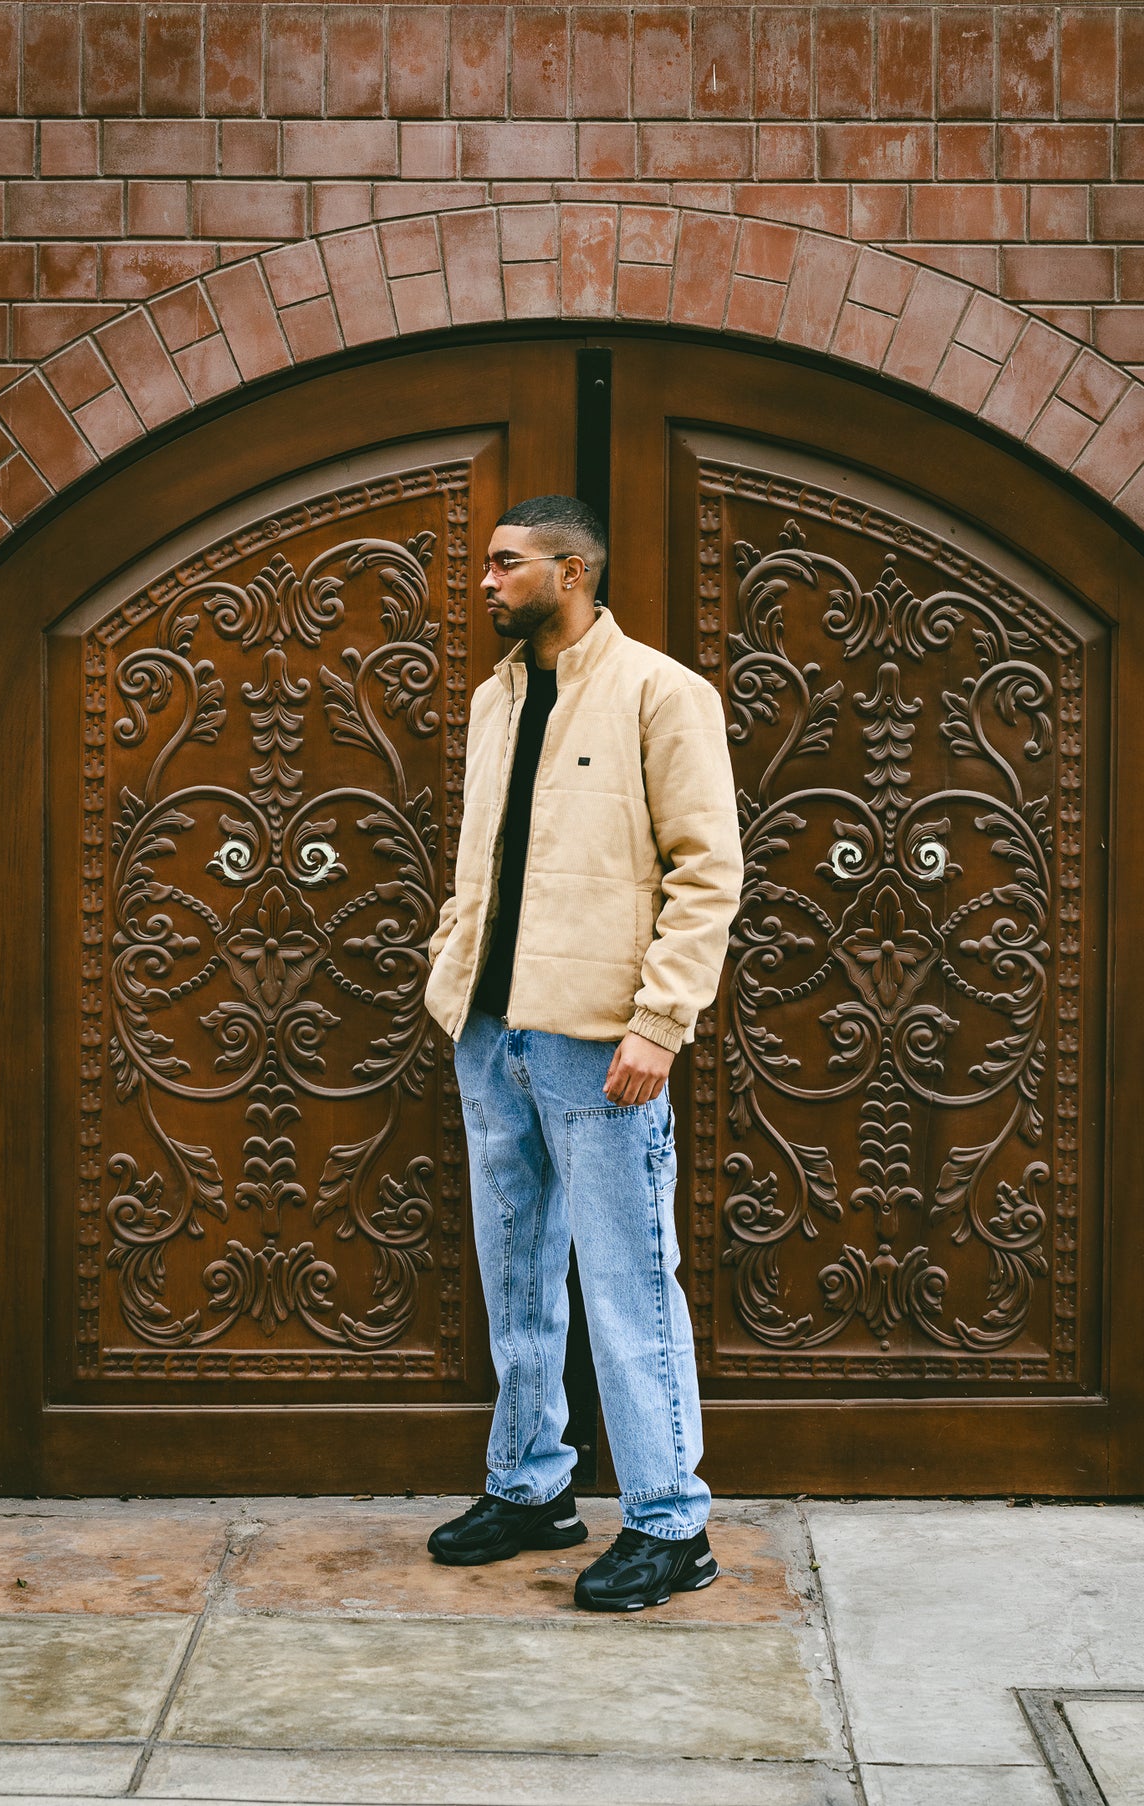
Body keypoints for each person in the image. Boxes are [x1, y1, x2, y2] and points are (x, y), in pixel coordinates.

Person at [422, 494, 744, 1611]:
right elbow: (486, 864)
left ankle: (669, 1521)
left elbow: (708, 871)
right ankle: (529, 1487)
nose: (485, 582)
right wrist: (454, 972)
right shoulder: (494, 699)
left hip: (598, 1043)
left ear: (570, 574)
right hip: (492, 1028)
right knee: (516, 1275)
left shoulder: (660, 692)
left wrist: (660, 1022)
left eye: (505, 565)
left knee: (626, 1279)